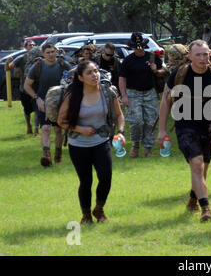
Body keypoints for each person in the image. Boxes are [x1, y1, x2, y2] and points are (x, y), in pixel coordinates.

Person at [158, 39, 211, 223]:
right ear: (189, 56)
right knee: (196, 164)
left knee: (203, 168)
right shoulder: (179, 74)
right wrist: (162, 130)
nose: (202, 58)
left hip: (208, 127)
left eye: (205, 54)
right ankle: (206, 208)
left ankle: (192, 199)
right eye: (198, 54)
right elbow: (166, 101)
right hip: (185, 126)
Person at [57, 60, 126, 224]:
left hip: (102, 141)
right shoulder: (73, 95)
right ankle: (86, 215)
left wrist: (121, 132)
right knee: (86, 181)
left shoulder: (108, 92)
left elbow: (119, 115)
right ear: (80, 77)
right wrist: (81, 129)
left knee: (106, 178)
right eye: (89, 72)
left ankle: (99, 209)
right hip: (78, 145)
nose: (95, 75)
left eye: (96, 71)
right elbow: (61, 120)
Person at [24, 43, 72, 166]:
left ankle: (58, 155)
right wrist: (37, 98)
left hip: (59, 102)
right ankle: (46, 156)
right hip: (42, 102)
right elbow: (27, 85)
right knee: (45, 128)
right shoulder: (37, 67)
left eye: (52, 52)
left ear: (56, 51)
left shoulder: (63, 65)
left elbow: (73, 79)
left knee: (57, 130)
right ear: (43, 54)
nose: (51, 54)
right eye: (48, 52)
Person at [119, 32, 165, 157]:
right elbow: (122, 78)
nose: (139, 49)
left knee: (151, 121)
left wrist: (156, 70)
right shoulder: (128, 60)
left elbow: (163, 71)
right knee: (136, 121)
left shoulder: (152, 57)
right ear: (132, 47)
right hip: (133, 93)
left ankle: (148, 149)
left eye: (141, 46)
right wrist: (124, 96)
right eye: (136, 47)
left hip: (150, 93)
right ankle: (135, 145)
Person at [7, 40, 39, 135]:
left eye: (34, 45)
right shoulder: (22, 58)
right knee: (27, 110)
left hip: (36, 89)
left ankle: (36, 130)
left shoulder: (39, 59)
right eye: (30, 45)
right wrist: (8, 62)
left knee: (37, 109)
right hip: (24, 89)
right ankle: (29, 125)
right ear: (26, 47)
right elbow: (9, 67)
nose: (32, 46)